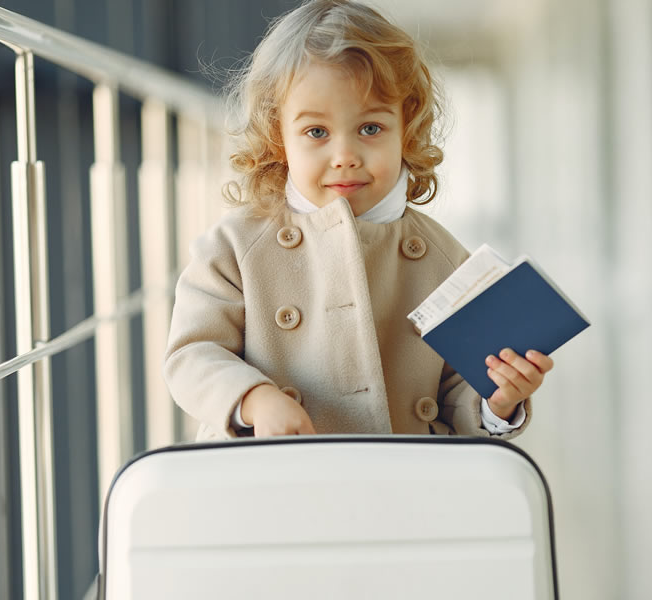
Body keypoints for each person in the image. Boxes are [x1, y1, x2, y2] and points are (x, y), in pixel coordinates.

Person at [164, 0, 554, 440]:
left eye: (370, 128)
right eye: (317, 132)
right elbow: (192, 354)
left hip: (400, 488)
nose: (345, 157)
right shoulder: (234, 247)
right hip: (270, 479)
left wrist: (497, 399)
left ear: (405, 128)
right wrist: (255, 399)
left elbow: (459, 392)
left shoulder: (445, 260)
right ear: (278, 135)